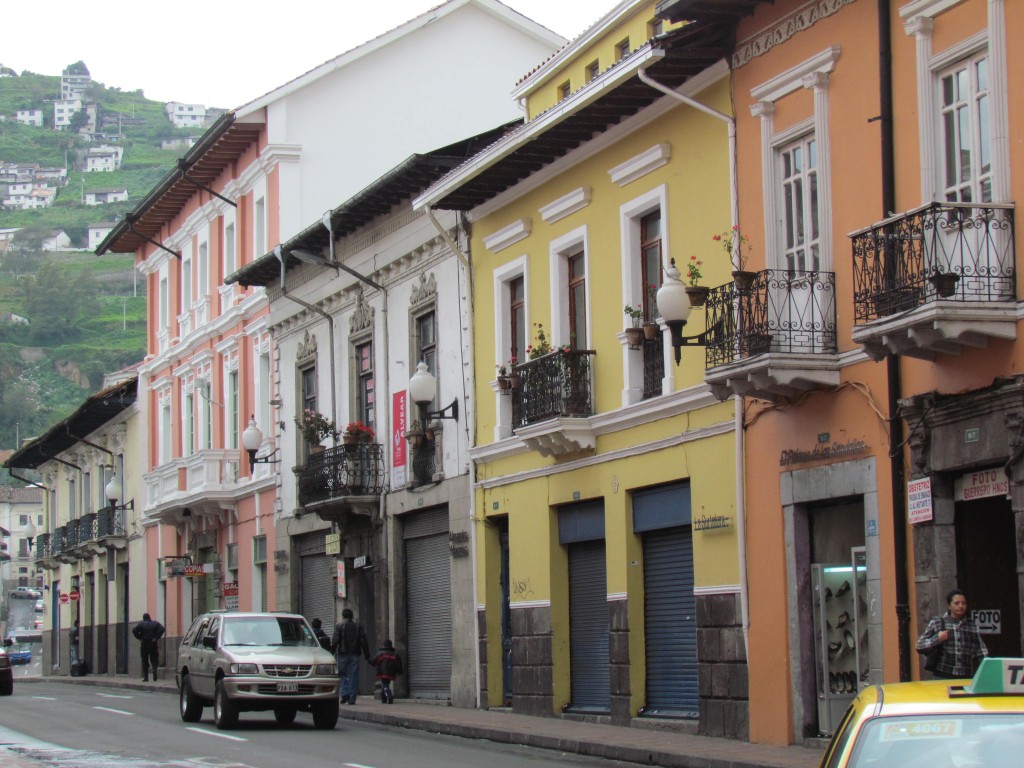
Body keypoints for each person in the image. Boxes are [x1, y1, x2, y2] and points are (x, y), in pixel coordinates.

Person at [916, 589, 988, 679]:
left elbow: (981, 652)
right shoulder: (938, 622)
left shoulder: (972, 626)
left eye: (963, 603)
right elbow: (919, 645)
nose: (961, 606)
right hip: (942, 675)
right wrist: (938, 638)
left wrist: (986, 671)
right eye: (957, 603)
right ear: (949, 606)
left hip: (966, 676)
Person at [331, 608, 369, 704]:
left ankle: (344, 693)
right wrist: (367, 654)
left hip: (343, 654)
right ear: (352, 616)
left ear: (343, 616)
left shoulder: (339, 626)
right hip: (355, 654)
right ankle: (352, 698)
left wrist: (331, 652)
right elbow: (363, 641)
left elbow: (335, 640)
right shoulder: (358, 626)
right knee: (353, 676)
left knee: (342, 674)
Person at [132, 612, 165, 682]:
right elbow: (162, 629)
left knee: (144, 661)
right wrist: (156, 637)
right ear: (149, 618)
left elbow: (134, 630)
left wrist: (139, 637)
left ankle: (146, 677)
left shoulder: (141, 624)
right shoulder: (155, 623)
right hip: (153, 643)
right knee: (154, 659)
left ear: (143, 618)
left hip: (144, 643)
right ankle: (154, 669)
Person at [370, 639, 403, 704]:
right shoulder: (395, 654)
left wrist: (370, 661)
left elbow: (374, 661)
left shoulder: (380, 653)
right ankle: (383, 700)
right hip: (391, 673)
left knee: (385, 685)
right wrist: (400, 671)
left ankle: (389, 695)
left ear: (384, 645)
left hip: (382, 672)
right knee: (385, 684)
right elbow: (398, 664)